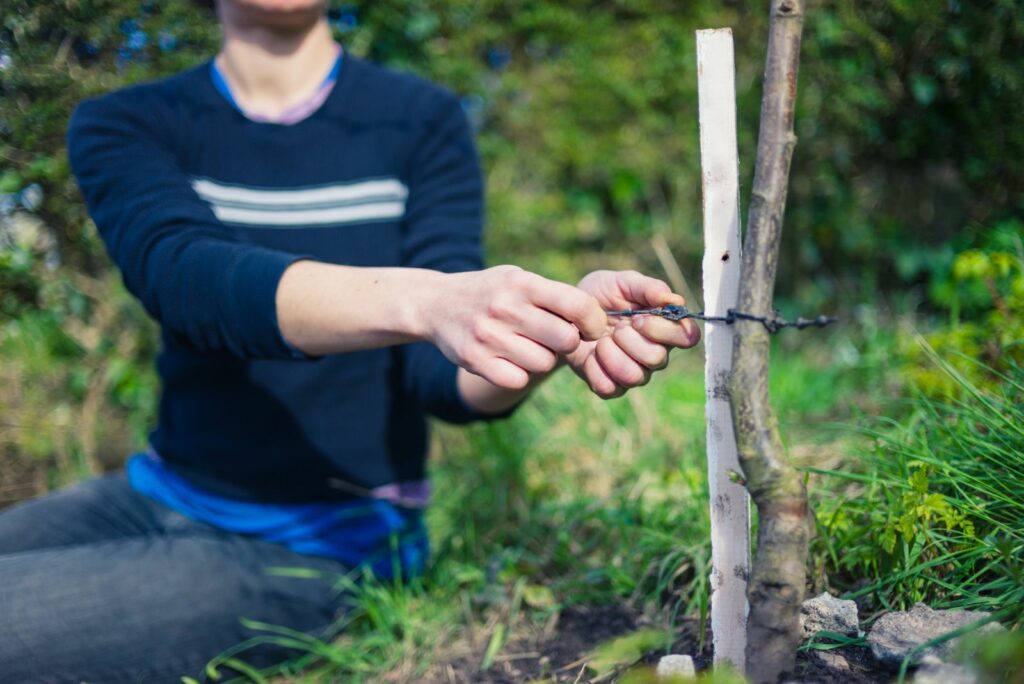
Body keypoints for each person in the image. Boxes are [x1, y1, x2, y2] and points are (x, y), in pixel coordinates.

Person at [0, 0, 700, 681]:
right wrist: (432, 299)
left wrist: (548, 334)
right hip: (156, 493)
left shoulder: (420, 120)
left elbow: (442, 378)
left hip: (327, 546)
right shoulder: (125, 122)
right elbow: (186, 279)